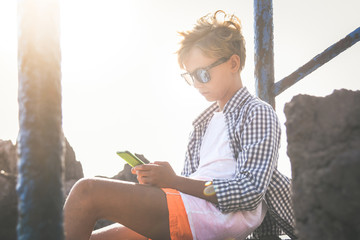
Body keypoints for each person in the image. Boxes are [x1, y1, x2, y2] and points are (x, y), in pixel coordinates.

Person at [63, 10, 295, 240]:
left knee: (87, 193)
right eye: (190, 76)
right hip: (192, 211)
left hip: (217, 218)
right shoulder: (202, 126)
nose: (196, 84)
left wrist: (174, 181)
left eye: (203, 74)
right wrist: (161, 181)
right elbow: (186, 184)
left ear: (233, 63)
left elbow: (250, 192)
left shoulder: (256, 112)